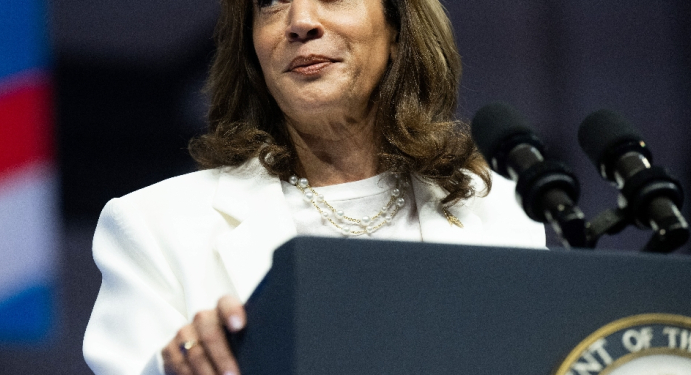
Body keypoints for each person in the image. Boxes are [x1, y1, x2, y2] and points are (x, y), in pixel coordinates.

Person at [83, 0, 545, 374]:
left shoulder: (499, 210)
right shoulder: (154, 225)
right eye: (270, 3)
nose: (300, 21)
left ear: (398, 24)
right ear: (251, 50)